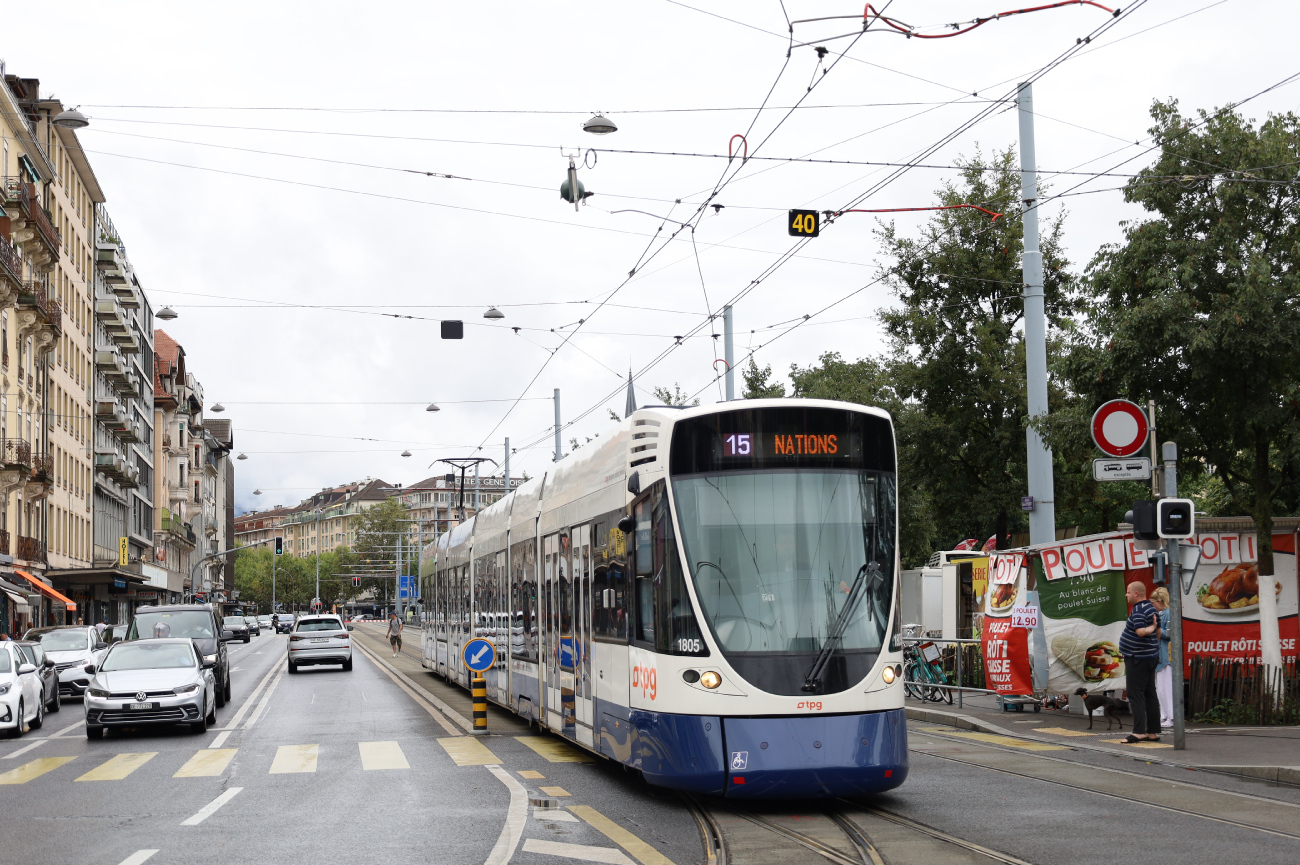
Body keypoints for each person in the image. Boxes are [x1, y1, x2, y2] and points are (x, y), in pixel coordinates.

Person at [1120, 581, 1162, 742]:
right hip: (1150, 657)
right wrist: (1154, 647)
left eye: (1128, 592)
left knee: (1135, 694)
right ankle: (1152, 731)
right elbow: (1158, 631)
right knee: (1150, 693)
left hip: (1137, 658)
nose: (1126, 595)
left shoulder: (1138, 610)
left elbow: (1141, 632)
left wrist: (1148, 631)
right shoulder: (1152, 608)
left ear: (1136, 593)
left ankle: (1138, 731)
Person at [1151, 587, 1174, 729]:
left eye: (1153, 602)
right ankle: (1164, 715)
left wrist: (1156, 628)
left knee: (1165, 688)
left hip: (1165, 656)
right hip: (1160, 655)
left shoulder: (1168, 613)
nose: (1152, 605)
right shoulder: (1161, 614)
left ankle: (1171, 717)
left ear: (1160, 601)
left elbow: (1170, 634)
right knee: (1160, 688)